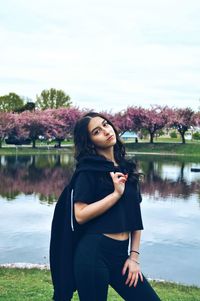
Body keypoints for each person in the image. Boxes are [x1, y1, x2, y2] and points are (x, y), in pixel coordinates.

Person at [50, 112, 161, 301]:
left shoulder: (127, 168)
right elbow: (80, 215)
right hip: (93, 253)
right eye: (97, 131)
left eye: (105, 124)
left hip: (121, 255)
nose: (106, 131)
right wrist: (115, 194)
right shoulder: (87, 171)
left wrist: (134, 256)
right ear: (90, 141)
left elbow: (135, 216)